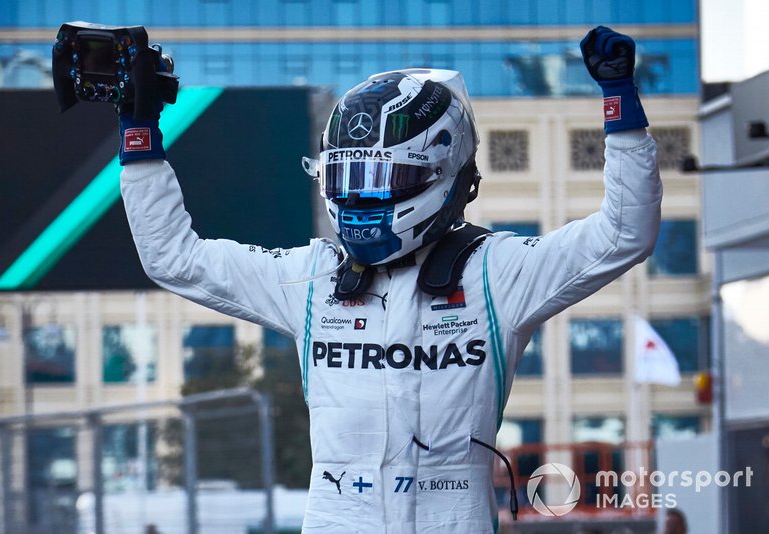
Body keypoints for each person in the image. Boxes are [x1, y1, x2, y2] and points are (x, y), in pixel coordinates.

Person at [116, 26, 661, 534]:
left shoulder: (498, 273)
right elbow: (173, 258)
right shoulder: (312, 279)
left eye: (381, 178)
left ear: (448, 175)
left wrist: (621, 105)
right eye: (345, 178)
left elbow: (623, 234)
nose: (358, 199)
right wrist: (140, 134)